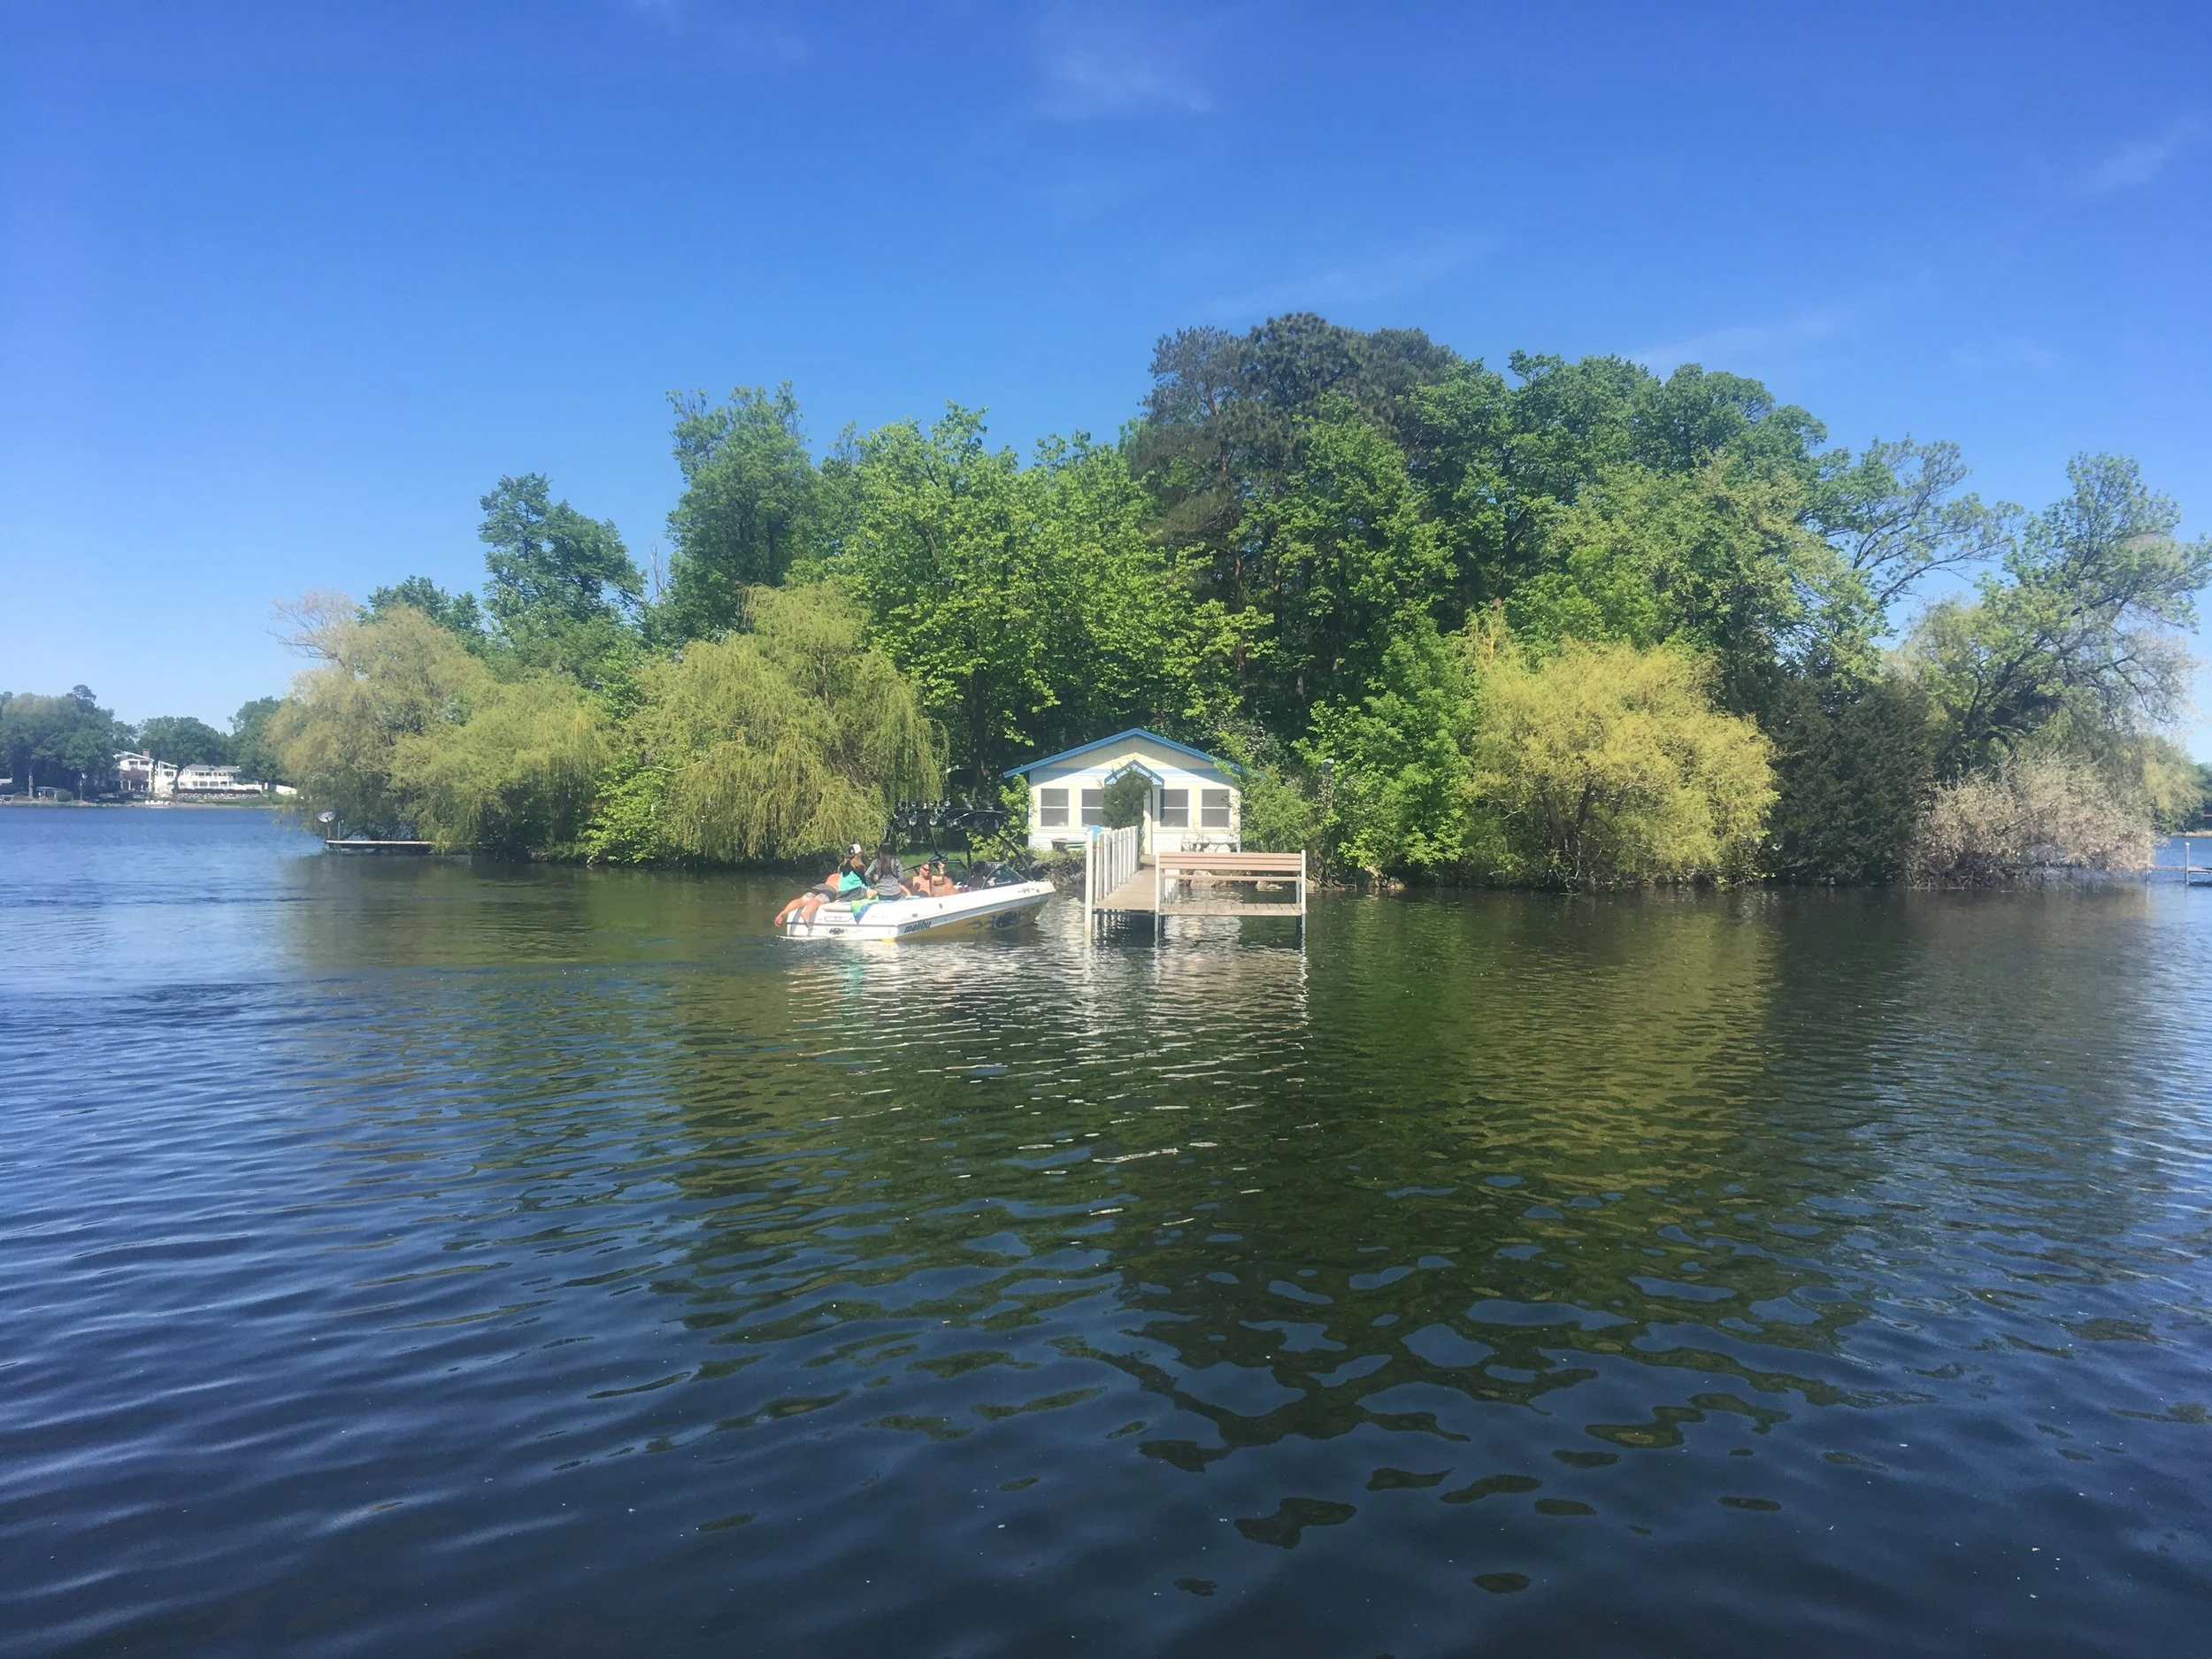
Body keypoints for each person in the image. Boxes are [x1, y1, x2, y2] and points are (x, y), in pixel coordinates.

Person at [776, 845, 868, 929]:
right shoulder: (845, 878)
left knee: (803, 899)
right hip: (831, 890)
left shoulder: (833, 876)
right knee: (818, 900)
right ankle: (806, 913)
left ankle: (785, 911)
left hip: (820, 886)